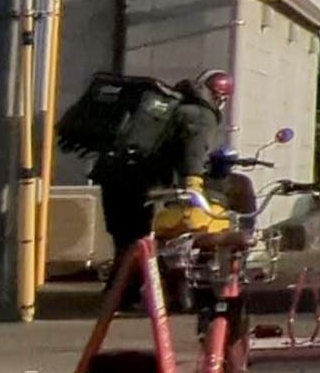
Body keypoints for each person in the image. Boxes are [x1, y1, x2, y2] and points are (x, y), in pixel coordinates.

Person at [93, 71, 229, 301]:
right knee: (143, 239)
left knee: (125, 240)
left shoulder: (166, 106)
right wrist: (193, 186)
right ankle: (123, 296)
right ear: (220, 96)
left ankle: (121, 295)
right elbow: (193, 154)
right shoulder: (202, 114)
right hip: (142, 179)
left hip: (112, 173)